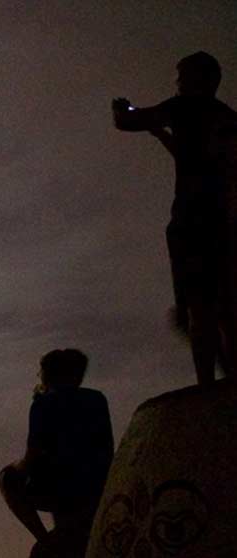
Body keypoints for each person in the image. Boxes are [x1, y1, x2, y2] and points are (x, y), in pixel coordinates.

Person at [112, 51, 237, 385]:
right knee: (224, 304)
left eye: (183, 76)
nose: (178, 83)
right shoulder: (226, 118)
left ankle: (207, 384)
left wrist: (122, 109)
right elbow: (194, 158)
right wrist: (161, 134)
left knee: (199, 307)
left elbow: (127, 121)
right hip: (223, 220)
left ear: (201, 79)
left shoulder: (183, 107)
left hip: (194, 217)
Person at [0, 349, 113, 558]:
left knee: (7, 478)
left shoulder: (44, 404)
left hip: (60, 484)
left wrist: (18, 470)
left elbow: (33, 454)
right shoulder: (97, 399)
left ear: (48, 373)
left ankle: (45, 540)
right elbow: (107, 447)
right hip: (96, 482)